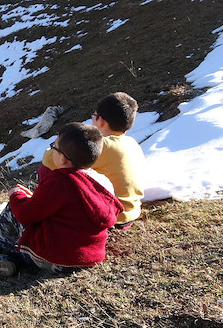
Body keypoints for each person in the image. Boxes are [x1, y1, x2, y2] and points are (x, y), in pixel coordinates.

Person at [0, 122, 124, 276]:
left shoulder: (61, 180)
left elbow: (25, 214)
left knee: (15, 208)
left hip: (55, 257)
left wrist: (17, 195)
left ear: (63, 159)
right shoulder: (103, 182)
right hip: (89, 258)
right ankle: (17, 259)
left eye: (54, 147)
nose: (51, 150)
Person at [39, 92, 145, 229]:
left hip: (112, 216)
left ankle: (42, 209)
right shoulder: (132, 143)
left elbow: (49, 160)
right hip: (131, 213)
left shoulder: (104, 145)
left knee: (49, 169)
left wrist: (58, 146)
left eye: (94, 116)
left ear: (101, 121)